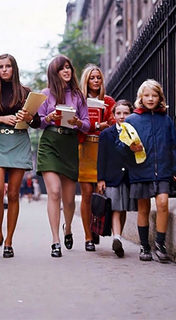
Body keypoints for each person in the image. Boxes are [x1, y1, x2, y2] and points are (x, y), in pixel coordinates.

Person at [120, 79, 176, 262]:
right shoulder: (132, 120)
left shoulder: (166, 119)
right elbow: (120, 145)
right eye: (146, 95)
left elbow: (175, 145)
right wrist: (130, 149)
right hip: (141, 170)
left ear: (160, 98)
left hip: (163, 169)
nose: (150, 98)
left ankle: (160, 245)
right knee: (144, 208)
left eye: (154, 95)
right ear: (140, 97)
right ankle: (144, 246)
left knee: (163, 203)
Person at [0, 53, 40, 258]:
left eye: (8, 66)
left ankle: (9, 241)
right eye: (1, 67)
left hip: (19, 142)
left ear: (14, 68)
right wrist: (0, 118)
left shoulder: (25, 92)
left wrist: (29, 117)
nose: (5, 69)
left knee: (14, 194)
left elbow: (37, 122)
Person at [37, 55, 90, 257]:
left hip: (69, 144)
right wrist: (48, 118)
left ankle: (67, 228)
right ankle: (55, 241)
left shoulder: (78, 96)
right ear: (54, 72)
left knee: (68, 200)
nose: (67, 71)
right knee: (55, 192)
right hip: (50, 143)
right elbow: (39, 122)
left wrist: (77, 122)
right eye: (62, 68)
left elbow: (86, 125)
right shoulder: (45, 94)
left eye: (68, 67)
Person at [78, 64, 116, 252]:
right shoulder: (79, 101)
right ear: (86, 81)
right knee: (86, 194)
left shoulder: (109, 101)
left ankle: (96, 228)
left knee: (100, 193)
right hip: (85, 148)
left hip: (103, 149)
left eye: (98, 77)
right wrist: (97, 125)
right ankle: (87, 236)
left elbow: (113, 123)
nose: (95, 81)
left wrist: (100, 126)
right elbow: (76, 125)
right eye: (92, 78)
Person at [97, 100, 137, 257]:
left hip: (128, 177)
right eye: (119, 113)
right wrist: (101, 179)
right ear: (113, 116)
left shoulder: (134, 132)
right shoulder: (106, 134)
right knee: (115, 208)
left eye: (126, 113)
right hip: (111, 177)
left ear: (131, 114)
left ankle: (118, 236)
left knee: (123, 208)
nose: (122, 116)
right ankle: (117, 237)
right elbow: (102, 158)